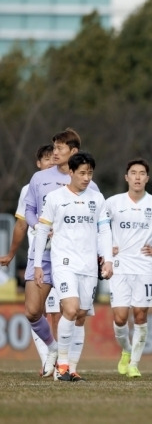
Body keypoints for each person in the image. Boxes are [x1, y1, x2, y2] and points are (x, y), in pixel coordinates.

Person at [23, 128, 99, 378]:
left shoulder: (90, 185)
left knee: (75, 313)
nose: (54, 152)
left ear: (73, 152)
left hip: (75, 257)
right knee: (33, 311)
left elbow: (98, 221)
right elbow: (30, 212)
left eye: (59, 148)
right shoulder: (39, 178)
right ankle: (53, 349)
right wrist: (41, 227)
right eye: (53, 147)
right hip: (44, 253)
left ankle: (68, 366)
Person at [33, 151, 113, 382]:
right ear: (71, 172)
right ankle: (62, 365)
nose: (86, 178)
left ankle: (72, 369)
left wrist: (107, 259)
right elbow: (41, 231)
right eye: (82, 173)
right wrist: (38, 264)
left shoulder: (97, 199)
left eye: (90, 173)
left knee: (79, 315)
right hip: (63, 263)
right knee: (70, 308)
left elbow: (104, 230)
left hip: (88, 265)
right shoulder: (55, 198)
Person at [0, 144, 60, 375]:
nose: (51, 163)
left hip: (63, 255)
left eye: (53, 158)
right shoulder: (30, 188)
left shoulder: (67, 185)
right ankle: (48, 358)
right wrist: (12, 253)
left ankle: (60, 363)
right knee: (38, 311)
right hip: (40, 257)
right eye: (46, 159)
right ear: (38, 164)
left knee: (60, 311)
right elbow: (21, 224)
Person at [106, 158, 152, 378]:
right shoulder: (112, 203)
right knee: (120, 318)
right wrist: (106, 248)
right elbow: (97, 228)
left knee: (140, 316)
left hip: (144, 266)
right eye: (134, 173)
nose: (138, 177)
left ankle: (134, 364)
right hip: (120, 266)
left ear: (147, 178)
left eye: (142, 173)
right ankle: (126, 350)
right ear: (126, 177)